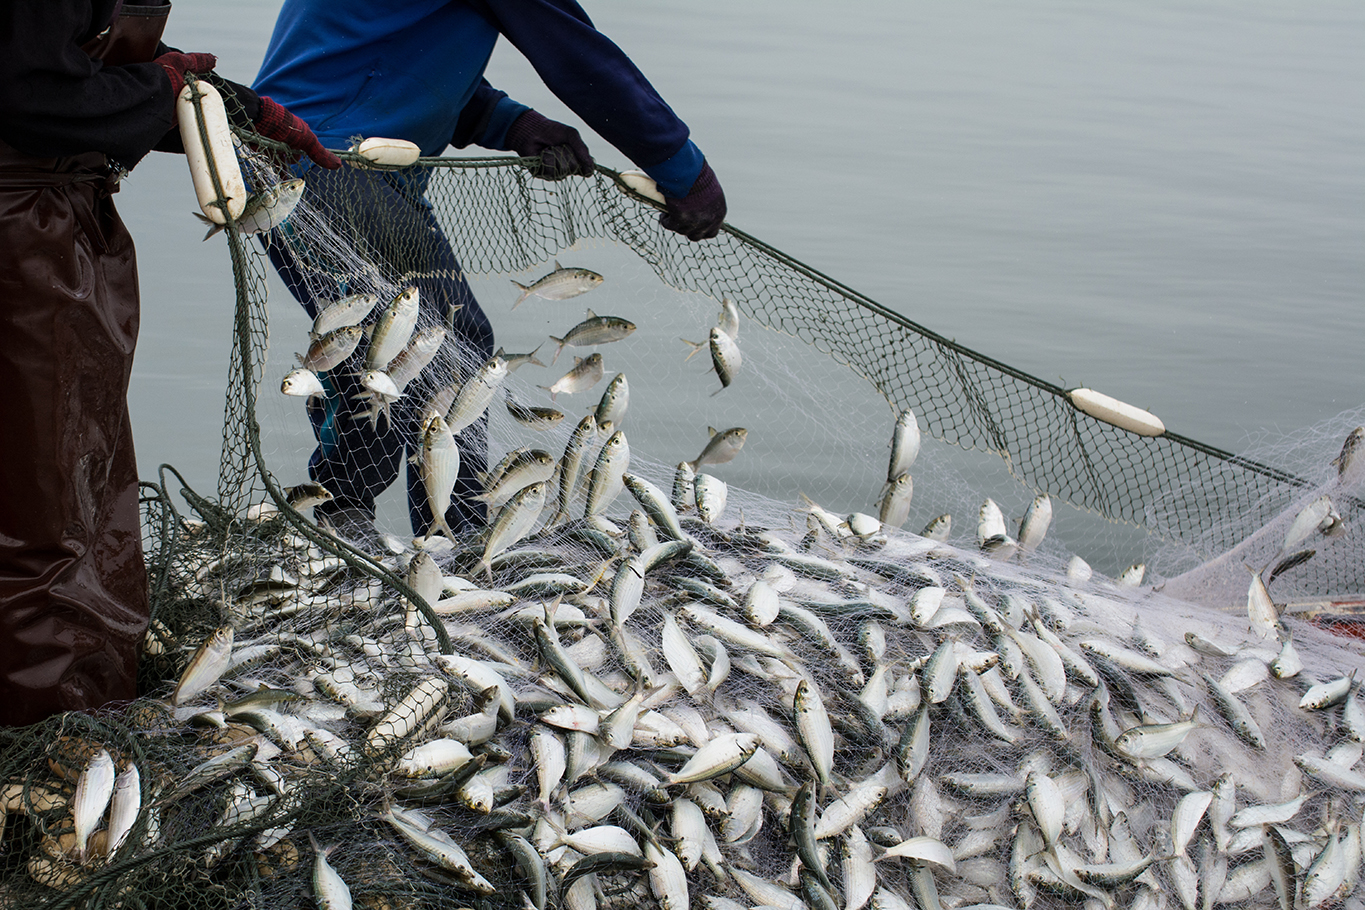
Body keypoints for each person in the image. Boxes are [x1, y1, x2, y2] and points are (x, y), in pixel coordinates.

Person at [253, 0, 727, 543]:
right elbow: (579, 59)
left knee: (432, 344)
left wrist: (512, 123)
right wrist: (683, 168)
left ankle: (423, 531)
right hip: (325, 164)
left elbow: (395, 53)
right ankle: (390, 533)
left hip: (324, 157)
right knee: (413, 348)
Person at [0, 0, 339, 727]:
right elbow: (30, 96)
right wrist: (165, 90)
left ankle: (85, 704)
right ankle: (54, 737)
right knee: (43, 510)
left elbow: (67, 60)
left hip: (53, 220)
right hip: (18, 240)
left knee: (76, 483)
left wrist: (231, 108)